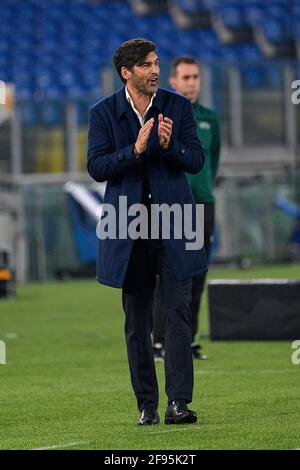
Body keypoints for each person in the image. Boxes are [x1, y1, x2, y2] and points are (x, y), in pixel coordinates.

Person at [87, 39, 207, 425]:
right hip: (128, 226)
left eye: (157, 64)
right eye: (146, 65)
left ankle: (179, 403)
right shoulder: (103, 113)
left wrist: (169, 146)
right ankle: (147, 406)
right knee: (137, 320)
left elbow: (196, 160)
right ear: (127, 72)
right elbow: (97, 166)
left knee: (178, 314)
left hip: (175, 223)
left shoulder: (178, 106)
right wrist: (135, 150)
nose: (155, 71)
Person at [152, 57, 221, 361]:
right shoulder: (162, 115)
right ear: (173, 81)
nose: (192, 82)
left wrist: (202, 186)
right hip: (170, 204)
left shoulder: (210, 119)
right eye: (186, 77)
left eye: (195, 77)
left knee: (197, 274)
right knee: (164, 274)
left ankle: (188, 339)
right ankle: (159, 341)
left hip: (202, 204)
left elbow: (212, 160)